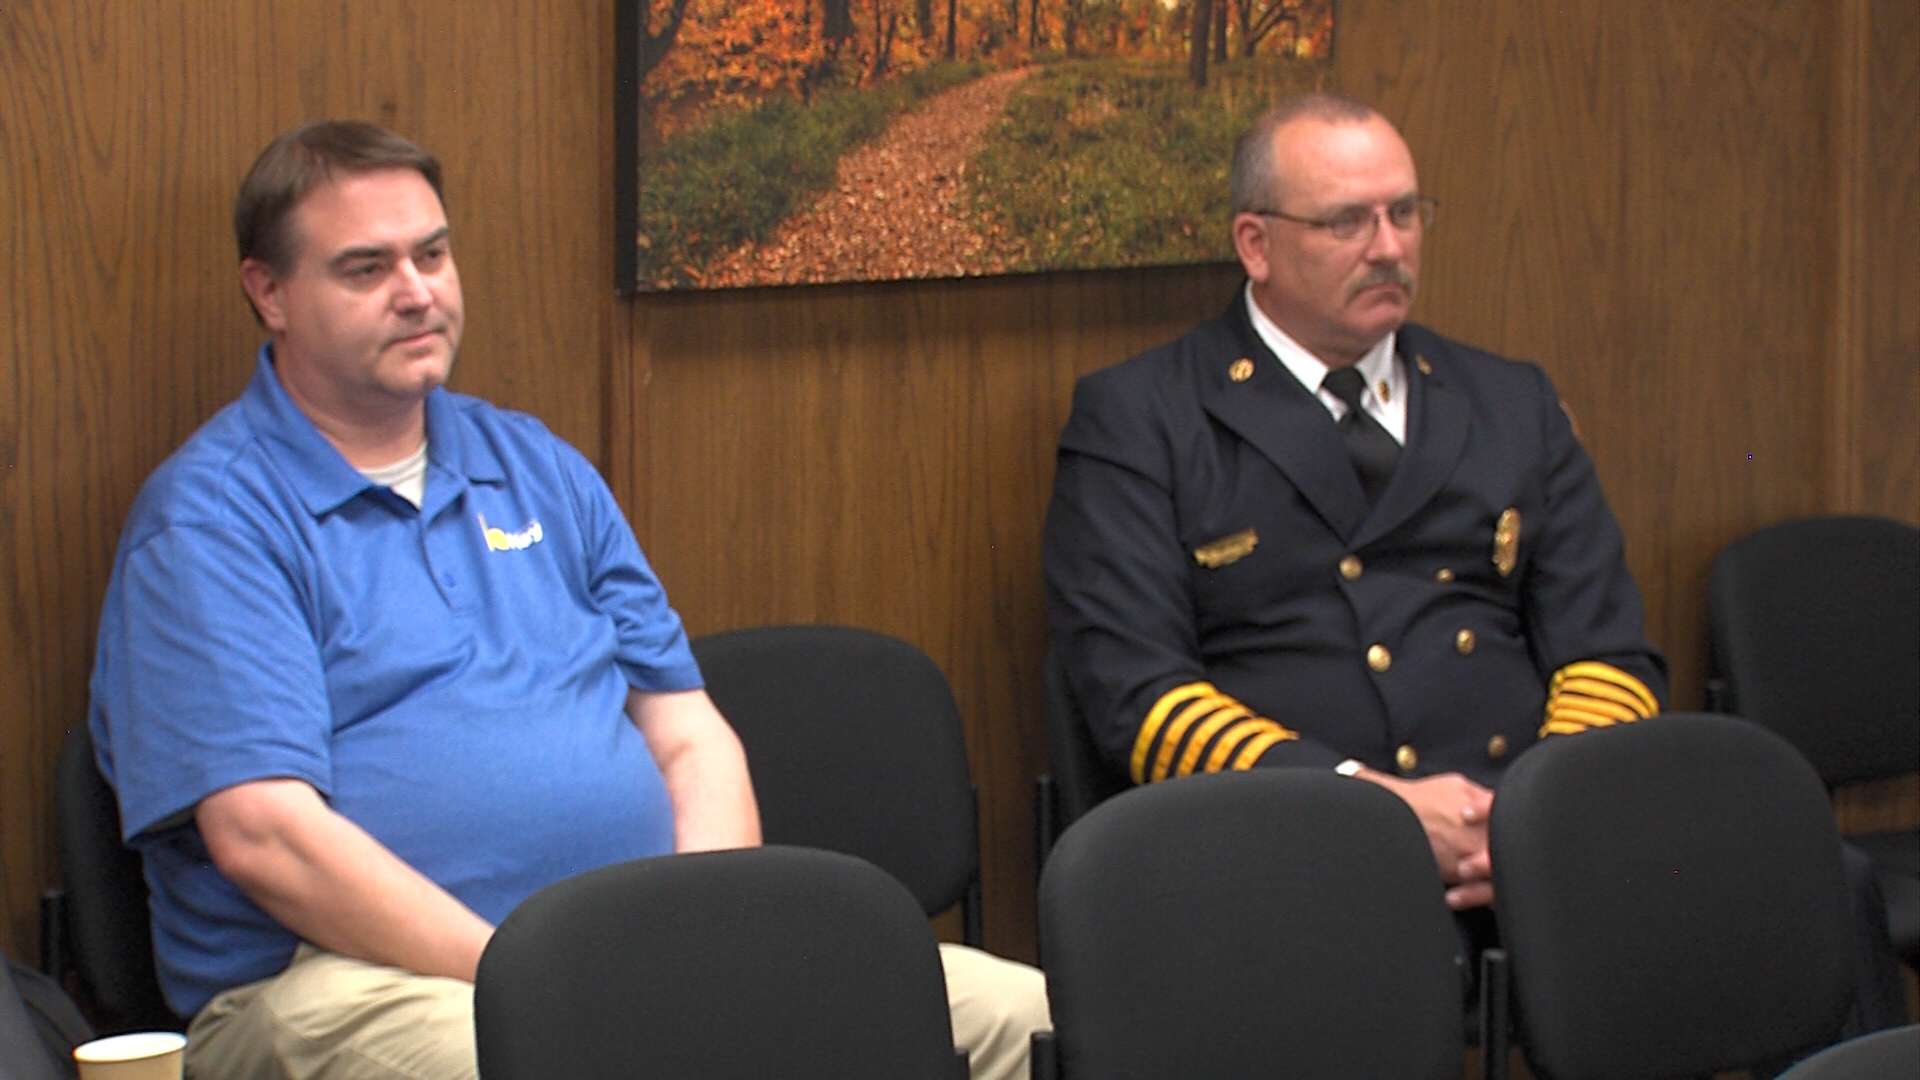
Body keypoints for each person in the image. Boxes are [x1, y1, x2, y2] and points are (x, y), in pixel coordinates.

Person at [88, 120, 1047, 1080]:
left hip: (634, 949)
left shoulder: (533, 465)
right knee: (584, 1060)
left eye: (433, 253)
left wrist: (707, 939)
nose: (417, 292)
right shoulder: (212, 522)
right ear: (270, 293)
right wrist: (540, 979)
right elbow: (267, 838)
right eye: (365, 268)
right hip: (352, 983)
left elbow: (688, 736)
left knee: (1021, 1017)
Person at [1042, 94, 1904, 1027]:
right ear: (1255, 243)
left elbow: (1607, 651)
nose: (1389, 247)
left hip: (1537, 830)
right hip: (1300, 841)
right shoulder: (1144, 419)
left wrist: (1533, 818)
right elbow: (1139, 695)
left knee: (1816, 881)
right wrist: (1377, 809)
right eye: (1347, 221)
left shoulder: (1509, 401)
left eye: (1405, 212)